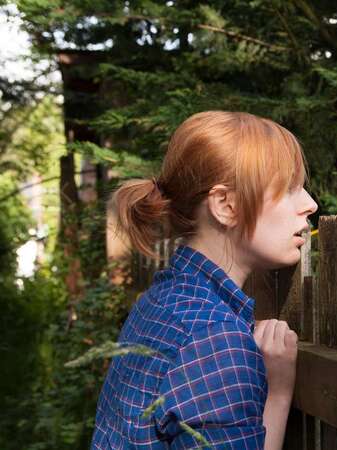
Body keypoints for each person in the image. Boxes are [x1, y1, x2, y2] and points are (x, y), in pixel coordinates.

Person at [90, 110, 319, 449]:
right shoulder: (216, 341)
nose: (310, 204)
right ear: (226, 205)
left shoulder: (163, 299)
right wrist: (280, 392)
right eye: (289, 188)